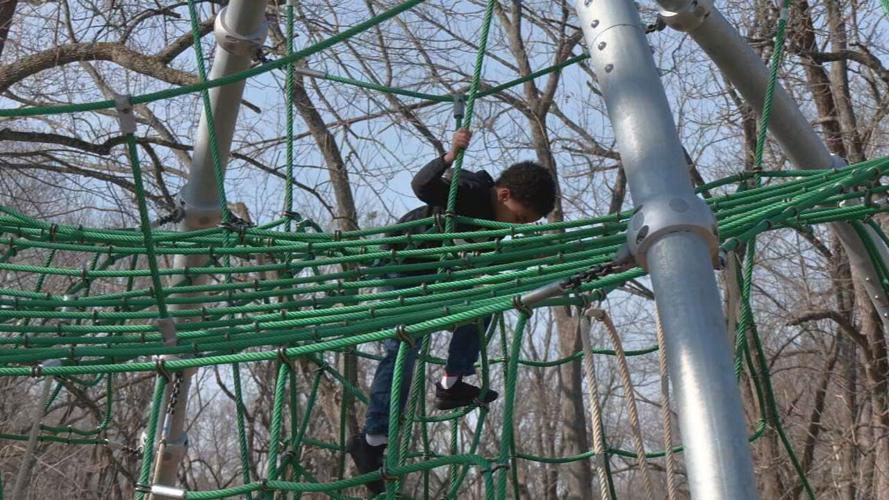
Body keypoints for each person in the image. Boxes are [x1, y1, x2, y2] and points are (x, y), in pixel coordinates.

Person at [347, 129, 557, 494]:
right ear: (504, 195)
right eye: (521, 219)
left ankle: (453, 381)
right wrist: (449, 156)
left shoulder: (496, 223)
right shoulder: (472, 191)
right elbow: (422, 185)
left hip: (437, 274)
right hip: (402, 266)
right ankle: (372, 441)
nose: (519, 227)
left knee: (483, 305)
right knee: (403, 349)